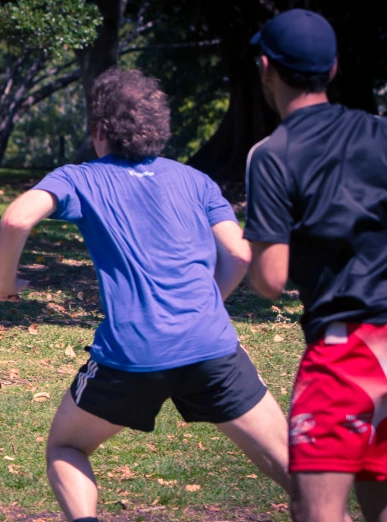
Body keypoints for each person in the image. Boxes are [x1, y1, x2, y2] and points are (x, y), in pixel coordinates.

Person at [0, 67, 290, 522]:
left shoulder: (80, 177)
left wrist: (5, 285)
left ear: (99, 129)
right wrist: (207, 302)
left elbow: (15, 219)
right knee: (295, 470)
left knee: (66, 446)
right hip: (210, 345)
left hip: (130, 355)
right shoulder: (196, 181)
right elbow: (240, 255)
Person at [245, 9, 387, 522]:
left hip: (346, 353)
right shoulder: (380, 133)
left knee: (315, 511)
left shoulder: (273, 155)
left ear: (267, 68)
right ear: (331, 71)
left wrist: (253, 251)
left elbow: (271, 279)